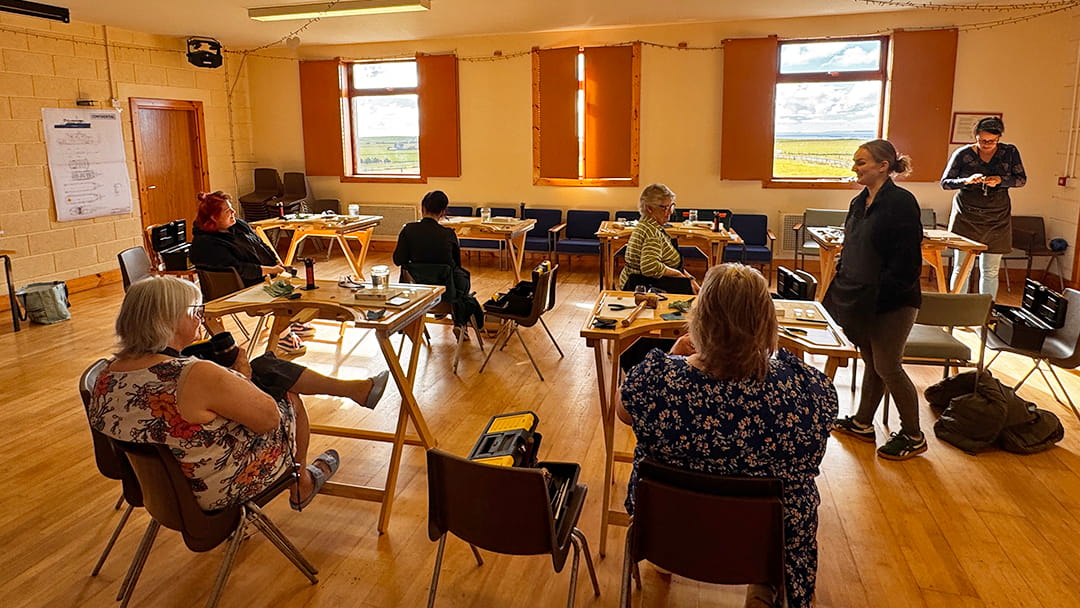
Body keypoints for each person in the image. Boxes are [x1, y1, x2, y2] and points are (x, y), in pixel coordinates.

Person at [618, 264, 836, 608]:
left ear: (700, 319)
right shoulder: (805, 391)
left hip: (668, 531)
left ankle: (673, 556)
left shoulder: (657, 380)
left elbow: (623, 411)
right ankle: (766, 588)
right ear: (767, 322)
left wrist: (677, 355)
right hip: (769, 546)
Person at [88, 276, 389, 512]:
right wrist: (239, 375)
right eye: (194, 311)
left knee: (266, 367)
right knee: (285, 394)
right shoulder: (193, 374)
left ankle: (355, 391)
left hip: (150, 489)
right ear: (166, 320)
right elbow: (269, 419)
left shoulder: (104, 375)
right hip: (213, 491)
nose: (199, 318)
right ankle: (302, 482)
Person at [825, 139, 926, 460]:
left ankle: (913, 434)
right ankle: (862, 422)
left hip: (892, 300)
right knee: (871, 360)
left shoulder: (901, 202)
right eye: (855, 162)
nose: (855, 168)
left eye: (861, 162)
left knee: (888, 365)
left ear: (884, 166)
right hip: (859, 294)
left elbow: (907, 261)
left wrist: (882, 293)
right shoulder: (859, 201)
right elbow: (852, 246)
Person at [189, 190, 310, 355]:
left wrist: (276, 263)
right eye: (227, 211)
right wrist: (274, 271)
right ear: (213, 218)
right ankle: (282, 335)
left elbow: (261, 244)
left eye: (231, 209)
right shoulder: (207, 243)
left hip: (260, 275)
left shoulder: (238, 225)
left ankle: (286, 323)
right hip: (237, 286)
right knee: (284, 288)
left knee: (295, 279)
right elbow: (242, 270)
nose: (233, 212)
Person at [941, 116, 1027, 299]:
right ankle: (955, 310)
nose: (986, 144)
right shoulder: (963, 154)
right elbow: (945, 183)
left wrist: (1001, 180)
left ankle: (984, 312)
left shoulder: (1010, 152)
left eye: (992, 141)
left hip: (997, 217)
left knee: (990, 269)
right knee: (962, 267)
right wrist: (966, 180)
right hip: (967, 216)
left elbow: (1021, 180)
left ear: (999, 138)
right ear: (976, 137)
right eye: (982, 140)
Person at [393, 190, 482, 329]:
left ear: (422, 208)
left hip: (417, 291)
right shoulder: (448, 234)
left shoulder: (408, 230)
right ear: (443, 212)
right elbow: (456, 265)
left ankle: (428, 319)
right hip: (447, 293)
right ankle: (459, 322)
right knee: (462, 279)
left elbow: (398, 260)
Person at [618, 183, 699, 294]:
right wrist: (679, 275)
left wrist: (689, 277)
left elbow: (666, 263)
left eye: (671, 206)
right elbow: (650, 266)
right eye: (665, 207)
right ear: (649, 208)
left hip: (637, 284)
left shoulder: (645, 225)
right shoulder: (652, 232)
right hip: (646, 289)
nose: (670, 211)